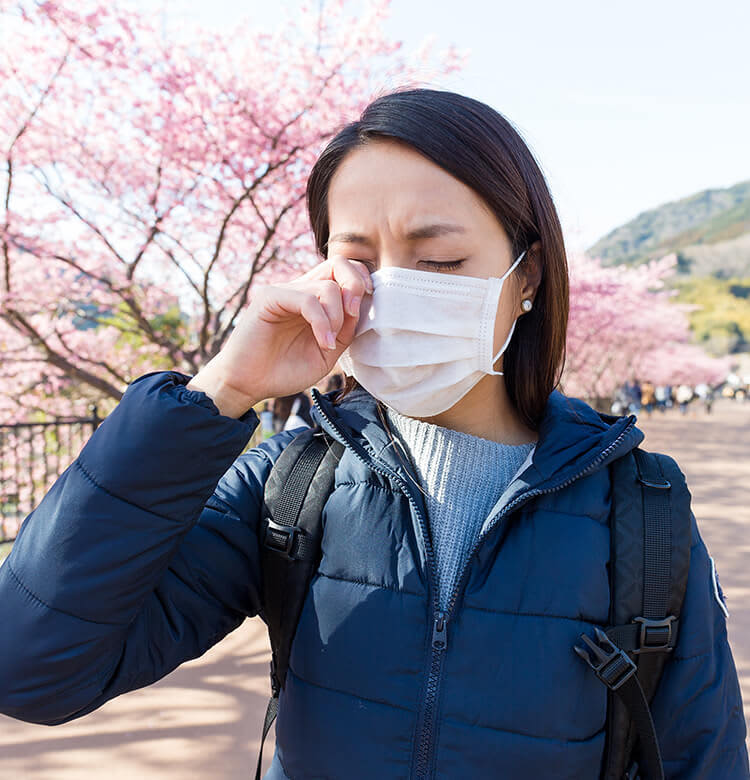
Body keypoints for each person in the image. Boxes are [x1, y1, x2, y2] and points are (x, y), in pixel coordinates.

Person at [0, 89, 746, 780]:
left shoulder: (642, 511)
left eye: (441, 261)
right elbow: (28, 667)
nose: (393, 290)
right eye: (357, 261)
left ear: (528, 276)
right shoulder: (290, 487)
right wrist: (218, 391)